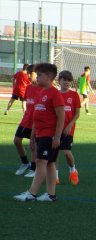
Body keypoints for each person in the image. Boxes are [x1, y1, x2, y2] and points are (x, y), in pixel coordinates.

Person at [13, 63, 65, 203]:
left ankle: (32, 193)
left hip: (50, 134)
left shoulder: (55, 94)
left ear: (49, 77)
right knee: (50, 163)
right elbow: (37, 115)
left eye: (40, 75)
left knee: (42, 162)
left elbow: (61, 117)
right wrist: (32, 136)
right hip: (40, 134)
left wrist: (57, 136)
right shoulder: (41, 92)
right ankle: (50, 195)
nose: (36, 77)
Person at [56, 70, 81, 186]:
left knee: (66, 152)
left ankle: (73, 171)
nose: (67, 82)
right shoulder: (55, 94)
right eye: (64, 80)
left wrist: (70, 125)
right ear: (59, 81)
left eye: (69, 80)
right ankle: (55, 176)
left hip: (68, 129)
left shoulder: (74, 95)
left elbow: (77, 113)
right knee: (54, 153)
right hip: (55, 128)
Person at [13, 65, 38, 177]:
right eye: (27, 73)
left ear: (36, 74)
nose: (28, 75)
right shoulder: (28, 87)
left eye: (30, 73)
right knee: (17, 141)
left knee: (33, 145)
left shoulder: (43, 88)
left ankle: (34, 168)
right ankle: (25, 163)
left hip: (36, 121)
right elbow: (27, 103)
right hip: (26, 120)